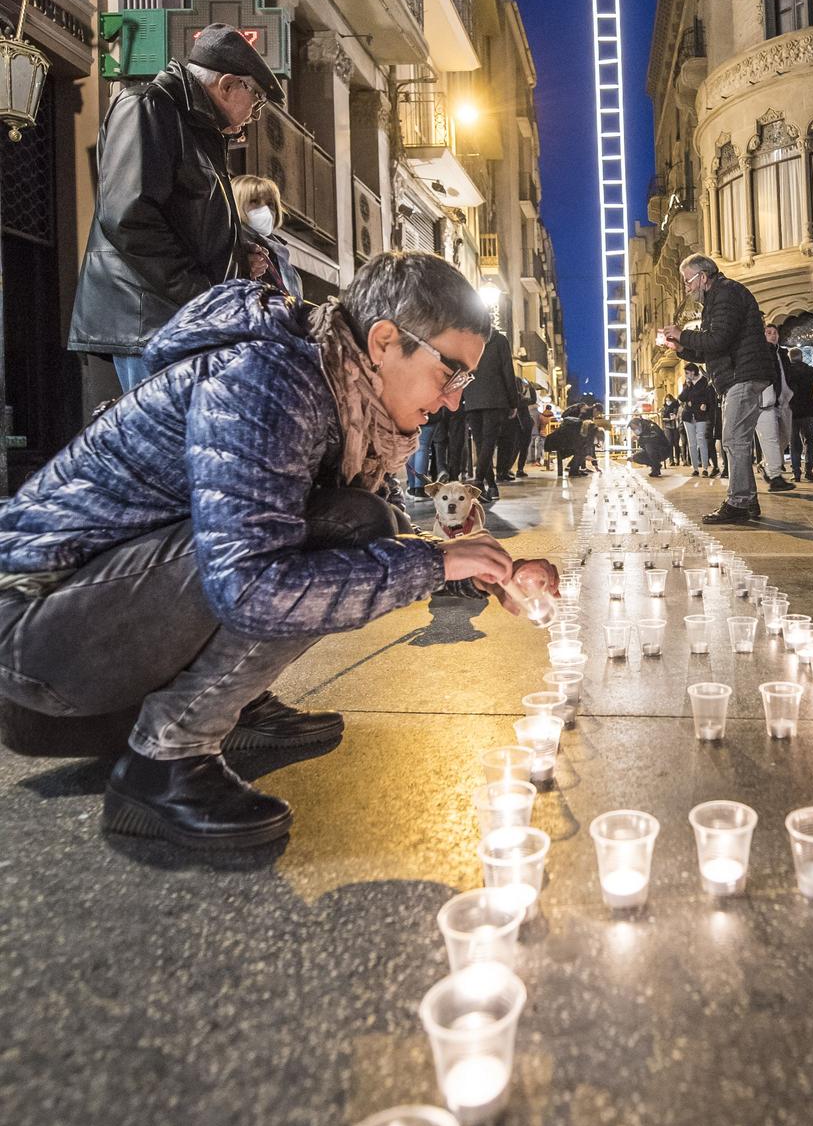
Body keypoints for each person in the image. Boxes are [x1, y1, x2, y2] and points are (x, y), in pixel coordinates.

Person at [0, 252, 556, 852]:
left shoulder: (349, 401)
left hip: (93, 648)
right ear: (386, 341)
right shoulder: (264, 378)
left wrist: (472, 571)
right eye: (450, 372)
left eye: (464, 381)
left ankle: (233, 702)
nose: (453, 400)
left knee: (366, 521)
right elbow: (251, 589)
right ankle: (164, 761)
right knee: (347, 527)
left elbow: (391, 542)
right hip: (36, 654)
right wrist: (438, 562)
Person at [68, 24, 280, 392]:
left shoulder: (196, 127)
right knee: (165, 444)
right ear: (228, 85)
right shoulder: (147, 106)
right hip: (151, 322)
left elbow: (183, 220)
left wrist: (235, 256)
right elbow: (129, 217)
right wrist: (203, 294)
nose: (256, 112)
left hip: (172, 320)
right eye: (257, 97)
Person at [661, 255, 772, 526]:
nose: (686, 287)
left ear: (702, 276)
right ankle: (747, 500)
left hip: (742, 374)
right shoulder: (716, 298)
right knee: (737, 440)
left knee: (733, 439)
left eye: (688, 281)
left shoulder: (726, 293)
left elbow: (718, 338)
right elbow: (713, 349)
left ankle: (737, 502)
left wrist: (682, 333)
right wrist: (682, 348)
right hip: (736, 373)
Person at [463, 325, 521, 504]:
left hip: (472, 397)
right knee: (488, 441)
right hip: (495, 399)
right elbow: (507, 371)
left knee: (481, 443)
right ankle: (480, 481)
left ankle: (491, 484)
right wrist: (513, 402)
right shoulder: (499, 340)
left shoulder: (468, 338)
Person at [234, 174, 302, 299]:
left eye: (270, 204)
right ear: (236, 205)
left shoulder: (279, 253)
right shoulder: (235, 247)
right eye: (254, 201)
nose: (265, 209)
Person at [756, 323, 795, 494]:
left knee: (785, 438)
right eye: (769, 332)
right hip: (768, 400)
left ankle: (766, 466)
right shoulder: (762, 351)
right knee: (771, 438)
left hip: (784, 401)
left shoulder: (782, 353)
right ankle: (775, 477)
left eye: (775, 333)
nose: (773, 335)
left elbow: (787, 375)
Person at [678, 363, 715, 476]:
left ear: (693, 372)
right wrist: (688, 386)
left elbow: (708, 398)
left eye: (687, 373)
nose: (686, 375)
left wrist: (700, 404)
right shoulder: (688, 384)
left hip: (701, 416)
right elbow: (681, 398)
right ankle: (695, 469)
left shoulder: (704, 381)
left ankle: (704, 468)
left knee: (702, 441)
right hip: (688, 417)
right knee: (692, 443)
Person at [788, 352, 813, 482]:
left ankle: (796, 472)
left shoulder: (787, 372)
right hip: (808, 411)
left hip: (792, 411)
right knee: (809, 441)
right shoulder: (811, 371)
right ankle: (809, 470)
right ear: (801, 357)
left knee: (794, 442)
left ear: (790, 357)